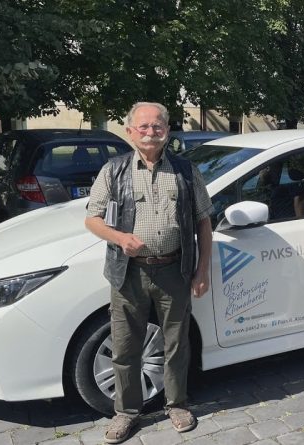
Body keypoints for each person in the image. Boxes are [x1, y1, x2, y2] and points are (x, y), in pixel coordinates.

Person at [85, 102, 213, 443]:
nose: (150, 132)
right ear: (130, 132)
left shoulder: (186, 171)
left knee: (177, 344)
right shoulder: (113, 171)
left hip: (175, 270)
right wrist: (119, 238)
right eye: (143, 126)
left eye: (157, 126)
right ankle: (126, 413)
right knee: (125, 346)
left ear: (167, 131)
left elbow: (203, 221)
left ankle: (177, 405)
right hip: (128, 272)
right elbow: (92, 219)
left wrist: (202, 271)